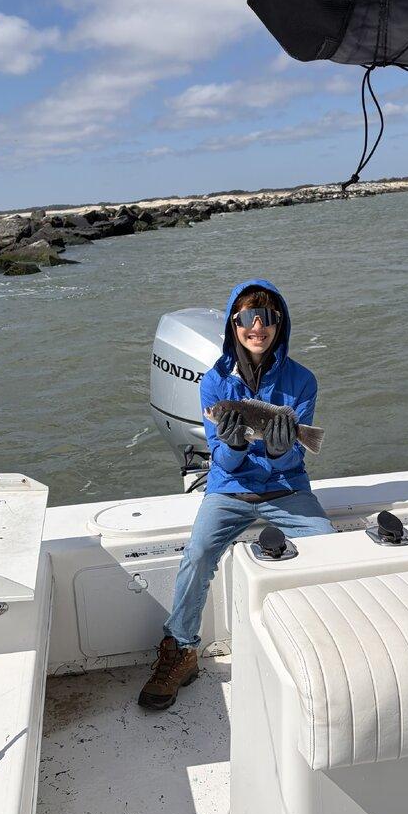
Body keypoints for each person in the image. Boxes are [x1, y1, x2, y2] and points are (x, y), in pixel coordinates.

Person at [138, 279, 335, 710]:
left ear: (280, 324)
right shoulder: (213, 385)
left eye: (267, 317)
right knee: (197, 554)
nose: (257, 325)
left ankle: (329, 640)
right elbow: (223, 467)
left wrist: (282, 449)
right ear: (234, 323)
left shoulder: (302, 381)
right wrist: (236, 444)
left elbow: (291, 463)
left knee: (330, 547)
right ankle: (182, 648)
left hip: (286, 487)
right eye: (247, 316)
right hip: (230, 489)